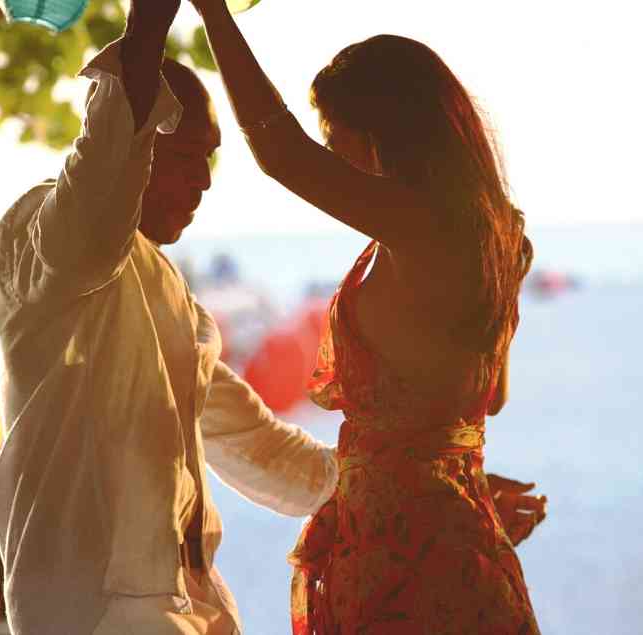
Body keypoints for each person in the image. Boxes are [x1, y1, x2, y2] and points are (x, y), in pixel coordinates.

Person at [189, 2, 546, 633]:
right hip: (457, 528)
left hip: (403, 553)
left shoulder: (425, 226)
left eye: (333, 136)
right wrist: (445, 472)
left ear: (381, 132)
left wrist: (212, 13)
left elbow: (280, 153)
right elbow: (485, 402)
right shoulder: (494, 236)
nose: (329, 155)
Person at [0, 0, 341, 632]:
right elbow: (95, 202)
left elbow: (264, 450)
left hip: (188, 605)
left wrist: (426, 487)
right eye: (183, 156)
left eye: (210, 158)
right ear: (138, 142)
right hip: (88, 607)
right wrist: (146, 28)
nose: (204, 182)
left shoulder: (171, 296)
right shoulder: (37, 233)